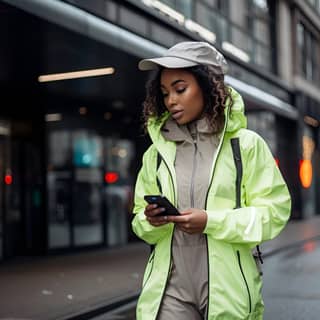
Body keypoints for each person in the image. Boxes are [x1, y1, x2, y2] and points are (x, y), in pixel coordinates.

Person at [132, 41, 291, 320]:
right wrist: (151, 220)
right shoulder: (155, 155)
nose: (171, 100)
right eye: (165, 92)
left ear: (208, 85)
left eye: (180, 89)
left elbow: (274, 213)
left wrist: (211, 221)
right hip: (170, 288)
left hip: (228, 288)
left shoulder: (246, 146)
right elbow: (138, 221)